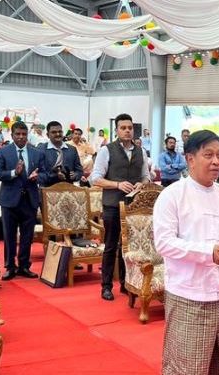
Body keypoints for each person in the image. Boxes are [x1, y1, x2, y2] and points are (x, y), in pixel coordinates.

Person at [153, 130, 219, 375]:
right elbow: (164, 243)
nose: (216, 161)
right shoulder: (172, 196)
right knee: (187, 367)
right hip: (189, 296)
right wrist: (207, 252)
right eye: (208, 155)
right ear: (190, 158)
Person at [90, 113, 150, 301]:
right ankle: (106, 286)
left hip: (134, 206)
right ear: (116, 130)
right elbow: (95, 178)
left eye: (130, 128)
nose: (127, 131)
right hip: (112, 205)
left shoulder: (141, 151)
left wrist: (143, 183)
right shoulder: (106, 150)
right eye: (123, 128)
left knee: (129, 247)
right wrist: (117, 184)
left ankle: (127, 283)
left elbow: (146, 175)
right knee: (111, 246)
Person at [0, 121, 46, 281]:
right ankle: (10, 267)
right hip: (9, 201)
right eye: (18, 134)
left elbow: (45, 174)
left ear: (27, 134)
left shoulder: (36, 153)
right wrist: (14, 173)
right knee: (9, 236)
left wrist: (38, 177)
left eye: (24, 134)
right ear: (12, 134)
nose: (21, 137)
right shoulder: (3, 152)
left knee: (27, 236)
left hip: (29, 200)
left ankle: (24, 266)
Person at [38, 121, 83, 188]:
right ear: (47, 135)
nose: (58, 134)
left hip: (68, 191)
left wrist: (75, 175)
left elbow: (79, 170)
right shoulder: (40, 150)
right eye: (54, 132)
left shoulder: (72, 150)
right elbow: (38, 175)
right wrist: (54, 176)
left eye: (60, 131)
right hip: (47, 191)